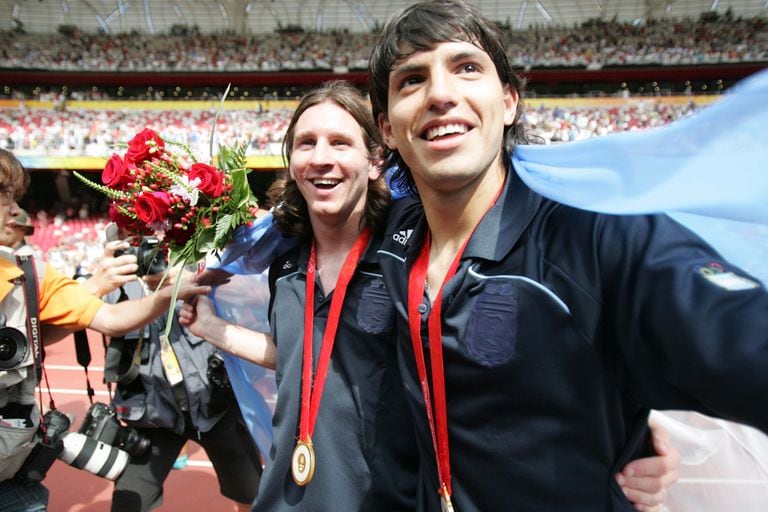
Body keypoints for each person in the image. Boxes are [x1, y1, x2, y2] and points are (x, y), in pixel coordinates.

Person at [181, 81, 679, 512]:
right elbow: (300, 358)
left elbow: (513, 352)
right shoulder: (287, 265)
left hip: (389, 498)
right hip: (288, 496)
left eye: (340, 142)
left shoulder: (412, 254)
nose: (321, 158)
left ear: (375, 159)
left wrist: (634, 430)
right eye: (306, 143)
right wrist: (211, 329)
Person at [367, 1, 768, 510]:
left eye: (467, 68)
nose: (441, 94)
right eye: (411, 80)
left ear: (509, 101)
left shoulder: (594, 234)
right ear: (385, 128)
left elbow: (733, 333)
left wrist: (626, 406)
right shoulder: (395, 239)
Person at [0, 148, 210, 512]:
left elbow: (109, 320)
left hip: (10, 468)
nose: (16, 210)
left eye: (14, 199)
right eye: (4, 198)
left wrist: (167, 293)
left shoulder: (31, 273)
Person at [90, 236, 263, 512]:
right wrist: (97, 279)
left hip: (214, 406)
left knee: (252, 494)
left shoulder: (198, 275)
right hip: (152, 417)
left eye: (161, 247)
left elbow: (253, 295)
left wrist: (189, 277)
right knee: (128, 501)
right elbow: (76, 309)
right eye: (142, 248)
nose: (152, 257)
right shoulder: (118, 289)